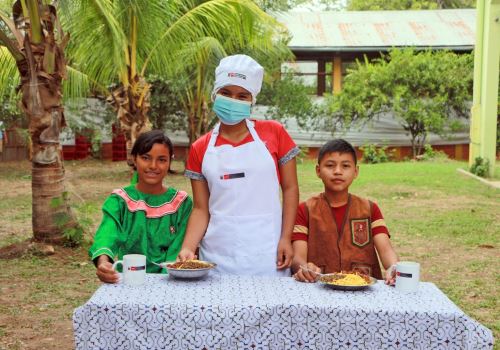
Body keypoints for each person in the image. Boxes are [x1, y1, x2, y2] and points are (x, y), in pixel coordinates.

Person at [178, 54, 299, 276]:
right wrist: (188, 246)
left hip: (267, 253)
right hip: (217, 256)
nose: (233, 100)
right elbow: (200, 209)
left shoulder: (275, 133)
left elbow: (290, 189)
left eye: (242, 95)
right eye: (226, 93)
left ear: (252, 100)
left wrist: (285, 238)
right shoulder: (200, 148)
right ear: (215, 94)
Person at [89, 130, 193, 283]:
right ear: (134, 159)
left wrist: (164, 283)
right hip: (129, 281)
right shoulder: (119, 201)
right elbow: (106, 235)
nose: (153, 166)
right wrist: (103, 263)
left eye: (162, 160)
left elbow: (178, 249)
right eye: (145, 158)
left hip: (172, 281)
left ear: (170, 162)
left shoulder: (182, 203)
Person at [291, 139, 398, 284]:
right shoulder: (305, 210)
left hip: (365, 292)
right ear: (318, 171)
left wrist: (394, 268)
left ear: (355, 172)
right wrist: (305, 268)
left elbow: (386, 250)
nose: (337, 171)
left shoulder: (370, 209)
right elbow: (298, 257)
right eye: (330, 165)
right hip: (319, 290)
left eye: (345, 166)